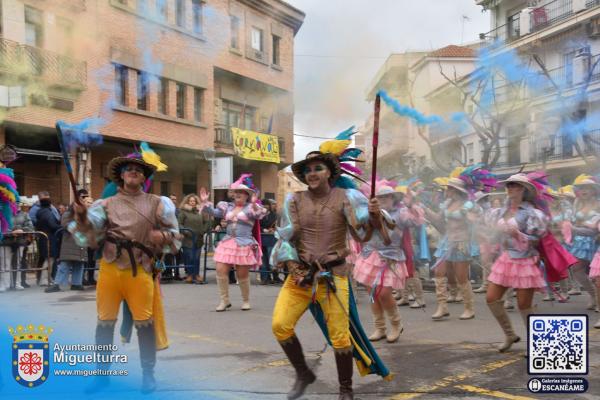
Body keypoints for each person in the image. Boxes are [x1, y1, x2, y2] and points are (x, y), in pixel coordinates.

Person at [271, 131, 391, 400]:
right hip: (301, 275)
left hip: (334, 276)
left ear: (329, 172)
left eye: (318, 168)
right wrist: (295, 269)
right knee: (280, 324)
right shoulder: (294, 200)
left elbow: (364, 236)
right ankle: (303, 373)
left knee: (339, 336)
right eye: (308, 170)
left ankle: (345, 390)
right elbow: (287, 238)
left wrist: (373, 218)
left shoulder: (345, 198)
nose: (312, 173)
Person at [71, 150, 180, 393]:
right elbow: (87, 235)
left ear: (144, 178)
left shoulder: (158, 203)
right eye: (128, 169)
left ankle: (148, 375)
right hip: (110, 269)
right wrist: (81, 218)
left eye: (138, 170)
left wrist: (161, 235)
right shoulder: (104, 204)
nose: (133, 171)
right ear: (121, 176)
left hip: (140, 270)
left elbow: (177, 236)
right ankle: (101, 376)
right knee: (104, 323)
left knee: (145, 323)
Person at [485, 173, 550, 352]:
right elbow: (495, 234)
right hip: (506, 259)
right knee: (491, 298)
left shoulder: (531, 213)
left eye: (514, 185)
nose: (510, 188)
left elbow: (537, 239)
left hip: (526, 260)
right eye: (508, 185)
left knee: (524, 305)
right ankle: (509, 335)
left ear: (523, 189)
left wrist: (518, 234)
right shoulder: (500, 211)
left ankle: (537, 344)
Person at [353, 182, 423, 343]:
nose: (384, 199)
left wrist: (411, 205)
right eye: (380, 197)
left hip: (391, 258)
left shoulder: (401, 213)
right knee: (373, 295)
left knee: (384, 293)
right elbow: (360, 231)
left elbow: (417, 221)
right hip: (370, 256)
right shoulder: (368, 213)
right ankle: (380, 328)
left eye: (387, 196)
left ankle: (396, 325)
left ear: (393, 198)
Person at [424, 168, 487, 321]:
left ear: (456, 190)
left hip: (461, 243)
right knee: (439, 273)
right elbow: (438, 221)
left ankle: (469, 308)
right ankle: (442, 307)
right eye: (447, 188)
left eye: (450, 188)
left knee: (461, 278)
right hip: (446, 242)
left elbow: (479, 219)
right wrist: (423, 210)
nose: (447, 191)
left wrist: (472, 218)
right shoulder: (446, 204)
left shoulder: (469, 205)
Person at [202, 174, 266, 311]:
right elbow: (213, 212)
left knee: (242, 274)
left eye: (241, 193)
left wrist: (254, 204)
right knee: (220, 270)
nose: (237, 194)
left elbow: (259, 215)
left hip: (244, 243)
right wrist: (205, 202)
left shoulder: (250, 208)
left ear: (246, 196)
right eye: (236, 192)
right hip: (228, 242)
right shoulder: (227, 207)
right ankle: (224, 301)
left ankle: (246, 300)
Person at [564, 175, 600, 312]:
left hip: (596, 241)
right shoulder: (578, 203)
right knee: (576, 269)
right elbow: (574, 222)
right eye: (581, 188)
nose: (584, 191)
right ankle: (593, 295)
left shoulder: (599, 203)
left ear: (593, 190)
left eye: (587, 188)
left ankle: (598, 299)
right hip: (580, 241)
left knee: (595, 274)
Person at [178, 192, 211, 284]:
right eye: (190, 201)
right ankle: (189, 275)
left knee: (196, 257)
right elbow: (179, 223)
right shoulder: (183, 212)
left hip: (198, 238)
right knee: (189, 257)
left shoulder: (200, 211)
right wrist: (185, 231)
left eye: (194, 201)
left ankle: (196, 275)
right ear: (187, 202)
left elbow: (207, 222)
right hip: (187, 238)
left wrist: (203, 231)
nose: (192, 202)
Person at [34, 193, 61, 286]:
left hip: (43, 237)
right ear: (49, 203)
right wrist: (61, 227)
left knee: (47, 259)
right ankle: (45, 279)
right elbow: (52, 225)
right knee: (49, 259)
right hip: (49, 238)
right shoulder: (47, 212)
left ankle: (47, 278)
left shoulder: (39, 212)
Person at [7, 201, 34, 290]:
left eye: (17, 202)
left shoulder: (25, 214)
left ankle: (17, 283)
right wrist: (11, 232)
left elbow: (30, 227)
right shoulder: (6, 213)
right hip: (7, 241)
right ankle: (7, 283)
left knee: (18, 262)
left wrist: (21, 230)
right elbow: (3, 226)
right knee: (6, 263)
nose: (15, 204)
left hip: (20, 241)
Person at [259, 199, 279, 284]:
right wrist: (263, 229)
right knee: (263, 259)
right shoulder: (258, 215)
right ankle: (264, 278)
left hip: (271, 239)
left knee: (272, 259)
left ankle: (274, 277)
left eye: (267, 204)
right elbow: (255, 226)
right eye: (263, 205)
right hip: (261, 238)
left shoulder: (274, 215)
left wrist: (274, 229)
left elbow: (278, 225)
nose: (265, 206)